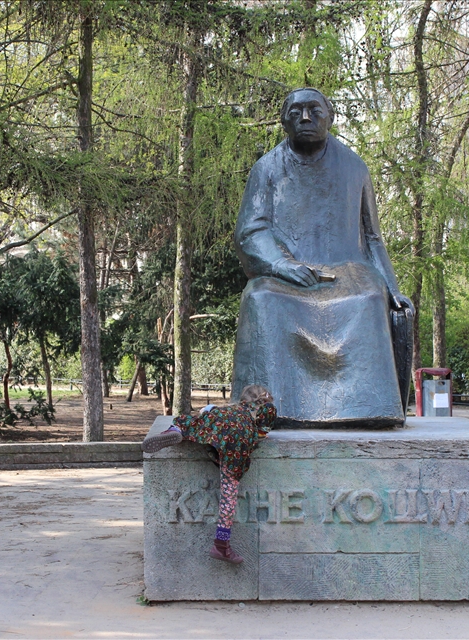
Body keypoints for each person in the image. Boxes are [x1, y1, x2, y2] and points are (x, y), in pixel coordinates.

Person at [232, 88, 414, 427]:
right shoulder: (266, 169)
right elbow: (251, 231)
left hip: (348, 269)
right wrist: (283, 266)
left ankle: (369, 410)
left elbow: (373, 238)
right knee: (261, 297)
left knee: (370, 296)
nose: (305, 118)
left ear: (329, 116)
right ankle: (271, 409)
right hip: (285, 272)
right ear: (283, 120)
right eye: (296, 111)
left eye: (314, 110)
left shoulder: (355, 168)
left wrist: (392, 288)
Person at [142, 385, 276, 564]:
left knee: (192, 423)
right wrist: (261, 431)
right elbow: (264, 425)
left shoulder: (226, 409)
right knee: (229, 493)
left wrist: (205, 413)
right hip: (239, 435)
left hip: (218, 422)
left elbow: (206, 411)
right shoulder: (261, 409)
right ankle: (221, 545)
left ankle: (175, 430)